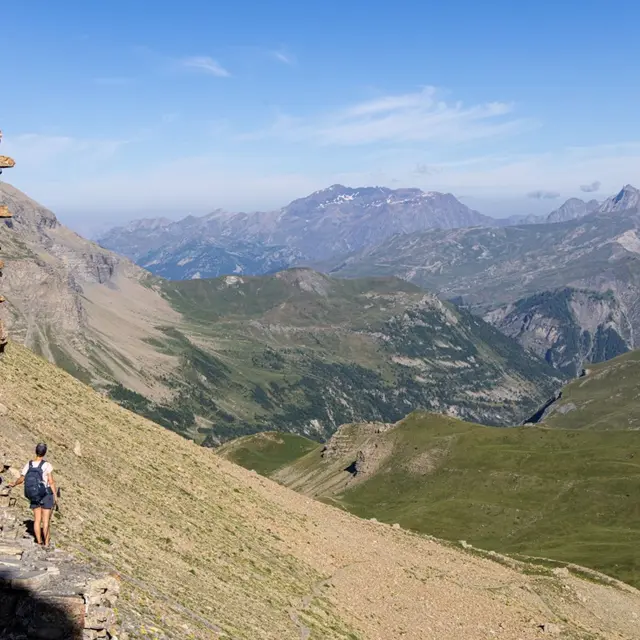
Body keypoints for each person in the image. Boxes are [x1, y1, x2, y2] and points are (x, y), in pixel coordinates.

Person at [9, 443, 58, 547]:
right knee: (45, 521)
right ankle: (46, 544)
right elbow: (51, 481)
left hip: (34, 495)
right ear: (44, 453)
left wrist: (14, 483)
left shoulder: (29, 464)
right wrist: (55, 496)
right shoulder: (47, 465)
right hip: (46, 495)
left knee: (37, 520)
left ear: (36, 451)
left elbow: (22, 478)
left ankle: (39, 542)